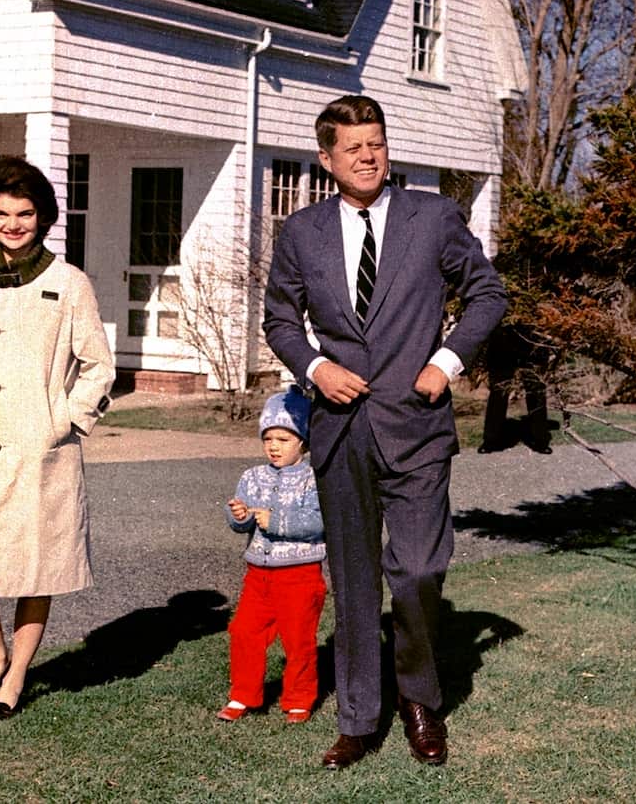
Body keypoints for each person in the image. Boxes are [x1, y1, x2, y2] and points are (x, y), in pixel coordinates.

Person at [263, 95, 508, 768]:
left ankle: (420, 698)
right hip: (341, 430)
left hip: (417, 424)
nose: (368, 154)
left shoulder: (432, 217)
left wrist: (447, 360)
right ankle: (359, 717)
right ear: (326, 159)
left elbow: (487, 292)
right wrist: (315, 366)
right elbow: (280, 320)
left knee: (420, 570)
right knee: (354, 576)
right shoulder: (301, 232)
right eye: (353, 146)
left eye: (377, 141)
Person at [0, 156, 115, 720]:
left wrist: (64, 422)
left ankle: (16, 675)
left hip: (40, 449)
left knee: (38, 563)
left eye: (25, 213)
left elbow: (99, 368)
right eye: (2, 213)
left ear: (43, 217)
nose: (13, 224)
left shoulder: (68, 283)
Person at [218, 386, 326, 725]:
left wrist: (277, 521)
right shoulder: (252, 476)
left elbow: (320, 522)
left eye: (284, 439)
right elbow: (242, 522)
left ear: (303, 443)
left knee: (299, 641)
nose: (274, 447)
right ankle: (243, 694)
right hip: (258, 575)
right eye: (268, 439)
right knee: (243, 632)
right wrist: (238, 516)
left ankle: (298, 699)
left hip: (300, 575)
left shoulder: (314, 478)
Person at [479, 322, 552, 454]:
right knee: (499, 389)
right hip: (503, 334)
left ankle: (540, 439)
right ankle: (491, 439)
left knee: (536, 389)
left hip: (533, 335)